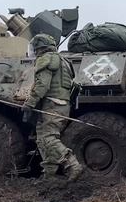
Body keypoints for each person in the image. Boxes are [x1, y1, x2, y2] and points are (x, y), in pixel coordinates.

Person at [22, 34, 84, 182]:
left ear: (40, 48)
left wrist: (29, 103)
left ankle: (72, 165)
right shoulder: (64, 60)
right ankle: (49, 175)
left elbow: (42, 85)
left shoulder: (46, 59)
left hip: (51, 104)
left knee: (47, 137)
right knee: (43, 139)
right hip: (63, 104)